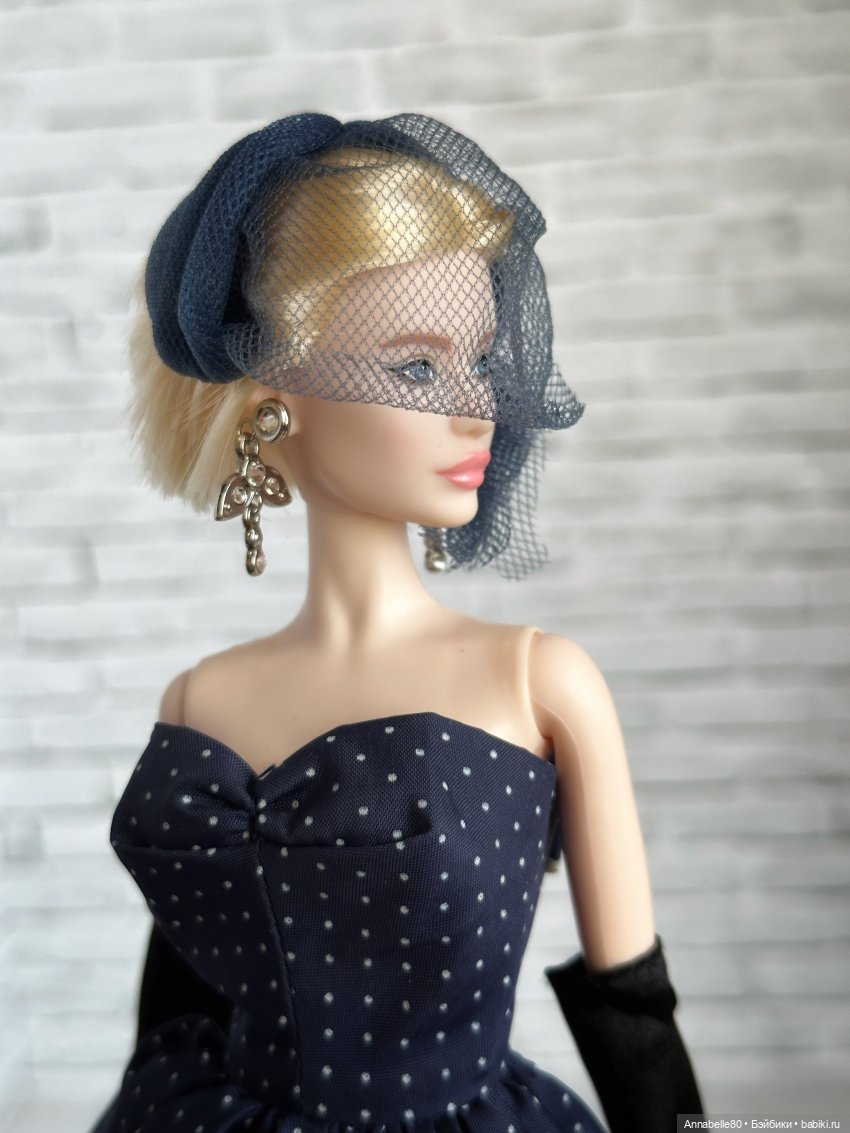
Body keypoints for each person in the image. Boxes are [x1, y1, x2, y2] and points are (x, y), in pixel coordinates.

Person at [88, 112, 703, 1133]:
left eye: (480, 359)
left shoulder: (538, 681)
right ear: (279, 398)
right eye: (417, 367)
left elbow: (630, 1000)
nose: (477, 407)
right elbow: (179, 1000)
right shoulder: (200, 699)